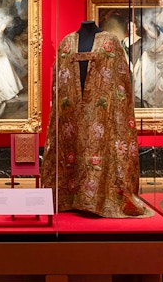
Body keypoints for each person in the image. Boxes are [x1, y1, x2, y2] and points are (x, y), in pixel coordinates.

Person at [40, 21, 151, 219]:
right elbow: (59, 83)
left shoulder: (111, 42)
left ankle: (101, 199)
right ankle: (69, 197)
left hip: (103, 113)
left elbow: (121, 81)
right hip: (70, 113)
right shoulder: (67, 43)